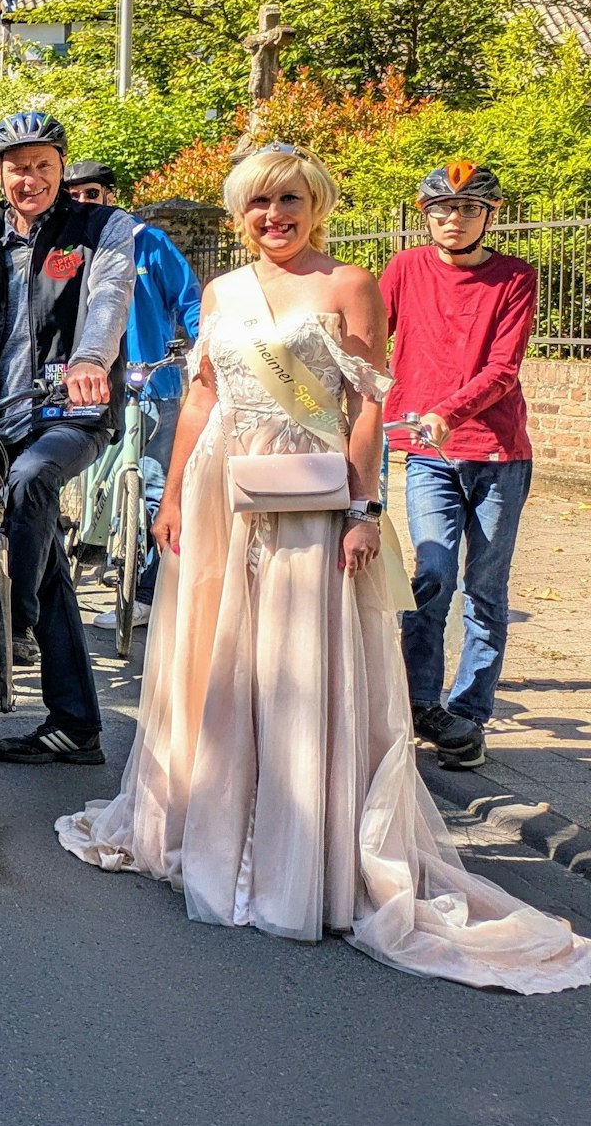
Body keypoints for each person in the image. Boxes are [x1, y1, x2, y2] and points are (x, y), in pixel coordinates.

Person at [57, 144, 591, 993]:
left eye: (292, 201)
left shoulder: (350, 285)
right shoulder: (222, 290)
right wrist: (167, 499)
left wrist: (363, 508)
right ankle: (216, 824)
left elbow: (365, 406)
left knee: (299, 667)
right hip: (220, 491)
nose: (276, 216)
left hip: (310, 496)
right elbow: (202, 396)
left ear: (319, 204)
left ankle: (302, 852)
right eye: (261, 203)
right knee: (221, 664)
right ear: (241, 212)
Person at [0, 112, 136, 766]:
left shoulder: (101, 228)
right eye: (17, 165)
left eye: (43, 164)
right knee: (42, 554)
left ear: (60, 167)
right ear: (0, 172)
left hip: (68, 413)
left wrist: (88, 361)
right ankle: (76, 724)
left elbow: (108, 301)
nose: (31, 177)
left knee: (31, 483)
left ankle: (13, 626)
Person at [385, 161, 535, 772]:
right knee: (433, 575)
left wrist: (447, 409)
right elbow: (369, 338)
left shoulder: (514, 278)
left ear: (489, 216)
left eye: (468, 210)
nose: (453, 220)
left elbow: (504, 367)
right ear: (428, 217)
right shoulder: (403, 269)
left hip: (498, 453)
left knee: (486, 590)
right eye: (442, 210)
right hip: (426, 453)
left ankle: (470, 716)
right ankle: (421, 704)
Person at [61, 159, 202, 633]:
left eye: (92, 195)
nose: (82, 204)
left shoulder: (149, 242)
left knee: (159, 488)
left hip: (154, 383)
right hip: (92, 385)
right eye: (74, 196)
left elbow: (191, 301)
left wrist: (201, 351)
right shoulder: (65, 247)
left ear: (110, 197)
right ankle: (91, 548)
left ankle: (148, 591)